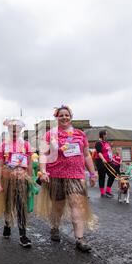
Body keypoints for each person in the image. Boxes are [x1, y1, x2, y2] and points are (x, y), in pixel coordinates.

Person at [36, 105, 98, 252]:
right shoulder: (50, 135)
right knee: (58, 206)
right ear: (57, 118)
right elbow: (43, 154)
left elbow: (87, 155)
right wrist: (43, 171)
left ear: (71, 116)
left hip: (76, 175)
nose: (64, 117)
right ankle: (55, 227)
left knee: (77, 205)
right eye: (61, 115)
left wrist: (93, 173)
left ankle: (80, 239)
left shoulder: (80, 134)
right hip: (56, 175)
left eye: (67, 115)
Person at [0, 119, 35, 248]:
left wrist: (30, 180)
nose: (14, 131)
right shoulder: (4, 146)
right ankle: (7, 224)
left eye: (16, 129)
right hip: (7, 179)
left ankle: (23, 235)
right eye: (11, 129)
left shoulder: (26, 145)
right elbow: (0, 165)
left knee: (21, 206)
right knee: (8, 204)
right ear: (8, 130)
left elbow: (29, 164)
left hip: (22, 180)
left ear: (20, 130)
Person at [94, 130, 116, 198]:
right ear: (103, 135)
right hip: (101, 162)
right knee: (102, 177)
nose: (107, 136)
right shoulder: (98, 143)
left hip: (109, 161)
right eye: (106, 134)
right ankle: (102, 193)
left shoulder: (106, 142)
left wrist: (112, 158)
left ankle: (108, 191)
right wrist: (103, 159)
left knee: (113, 175)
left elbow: (109, 151)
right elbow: (99, 152)